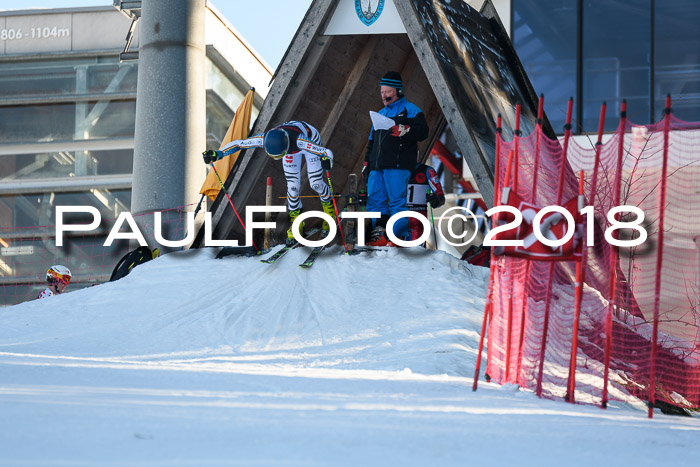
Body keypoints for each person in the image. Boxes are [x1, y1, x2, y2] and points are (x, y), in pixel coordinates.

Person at [202, 121, 336, 244]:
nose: (276, 158)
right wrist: (218, 154)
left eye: (279, 156)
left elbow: (325, 152)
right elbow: (239, 144)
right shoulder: (263, 139)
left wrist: (326, 159)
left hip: (308, 138)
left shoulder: (301, 141)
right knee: (293, 187)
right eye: (273, 156)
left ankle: (330, 213)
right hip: (289, 149)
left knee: (316, 183)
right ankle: (297, 222)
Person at [363, 71, 429, 246]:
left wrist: (405, 130)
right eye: (382, 92)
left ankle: (398, 237)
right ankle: (379, 235)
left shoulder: (412, 110)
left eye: (388, 92)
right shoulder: (379, 113)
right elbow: (371, 141)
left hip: (398, 165)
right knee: (374, 201)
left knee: (396, 202)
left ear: (398, 91)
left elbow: (423, 133)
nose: (384, 96)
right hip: (376, 166)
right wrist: (366, 163)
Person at [406, 162, 445, 241]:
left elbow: (440, 196)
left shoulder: (428, 171)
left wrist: (436, 200)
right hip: (399, 215)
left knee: (416, 249)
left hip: (418, 217)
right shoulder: (394, 170)